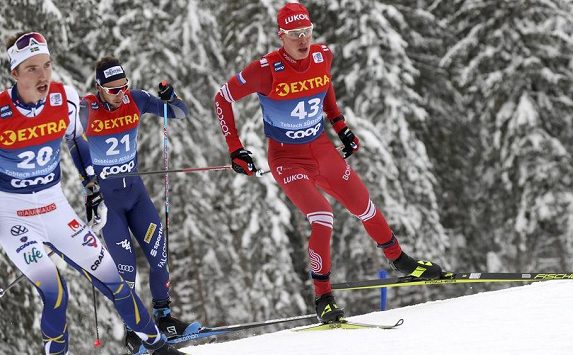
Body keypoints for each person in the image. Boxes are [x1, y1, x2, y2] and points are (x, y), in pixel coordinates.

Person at [213, 2, 444, 323]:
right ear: (281, 36)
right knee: (323, 217)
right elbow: (222, 97)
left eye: (306, 32)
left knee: (365, 206)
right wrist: (235, 148)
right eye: (294, 34)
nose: (303, 40)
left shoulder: (322, 56)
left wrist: (340, 125)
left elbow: (324, 87)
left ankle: (402, 261)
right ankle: (323, 297)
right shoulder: (264, 69)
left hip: (322, 149)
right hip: (287, 158)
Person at [0, 32, 185, 354]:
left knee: (117, 280)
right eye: (32, 68)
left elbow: (75, 140)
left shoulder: (65, 98)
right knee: (56, 293)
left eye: (47, 65)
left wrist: (91, 185)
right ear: (14, 73)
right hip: (13, 214)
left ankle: (159, 345)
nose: (43, 75)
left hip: (55, 206)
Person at [71, 56, 199, 350]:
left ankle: (164, 316)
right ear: (99, 88)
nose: (121, 95)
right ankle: (133, 331)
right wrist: (87, 181)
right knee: (126, 272)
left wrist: (171, 98)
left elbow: (179, 113)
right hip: (109, 205)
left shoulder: (137, 99)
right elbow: (68, 138)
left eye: (124, 87)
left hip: (136, 196)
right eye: (114, 90)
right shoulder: (86, 109)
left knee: (159, 256)